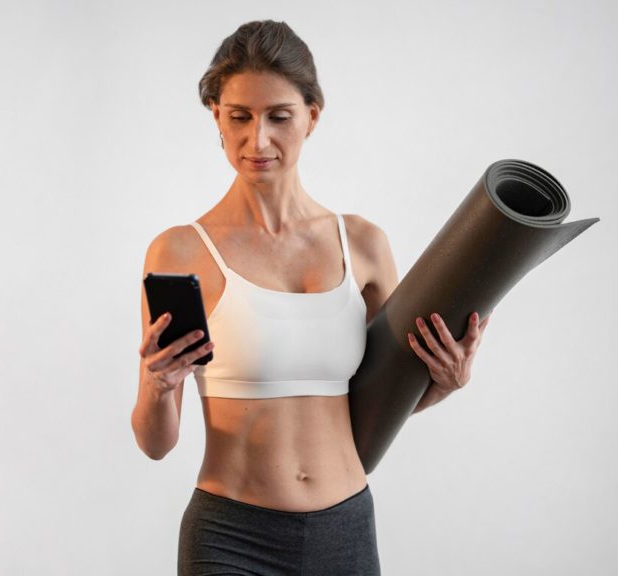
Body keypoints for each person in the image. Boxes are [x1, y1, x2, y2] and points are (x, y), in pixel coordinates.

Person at [130, 20, 491, 575]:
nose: (259, 140)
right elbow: (156, 444)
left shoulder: (364, 244)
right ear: (217, 120)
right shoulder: (180, 251)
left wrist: (445, 382)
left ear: (311, 117)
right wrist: (158, 385)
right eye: (239, 117)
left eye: (279, 117)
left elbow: (390, 398)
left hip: (343, 530)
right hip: (230, 537)